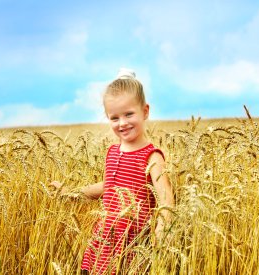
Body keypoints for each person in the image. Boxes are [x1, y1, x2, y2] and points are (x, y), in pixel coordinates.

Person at [51, 68, 175, 274]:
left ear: (145, 111)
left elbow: (166, 199)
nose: (123, 123)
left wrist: (160, 236)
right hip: (105, 242)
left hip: (134, 246)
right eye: (114, 118)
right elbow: (108, 186)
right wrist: (70, 193)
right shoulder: (112, 152)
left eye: (129, 114)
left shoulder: (152, 156)